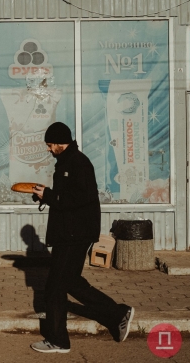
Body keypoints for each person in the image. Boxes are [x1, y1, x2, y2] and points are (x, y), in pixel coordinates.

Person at [30, 122, 134, 354]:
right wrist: (45, 196)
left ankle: (58, 340)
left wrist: (49, 195)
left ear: (61, 143)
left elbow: (81, 198)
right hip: (69, 233)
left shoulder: (78, 162)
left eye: (50, 144)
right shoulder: (66, 162)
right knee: (71, 282)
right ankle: (118, 313)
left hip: (74, 234)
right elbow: (66, 196)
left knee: (55, 287)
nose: (48, 149)